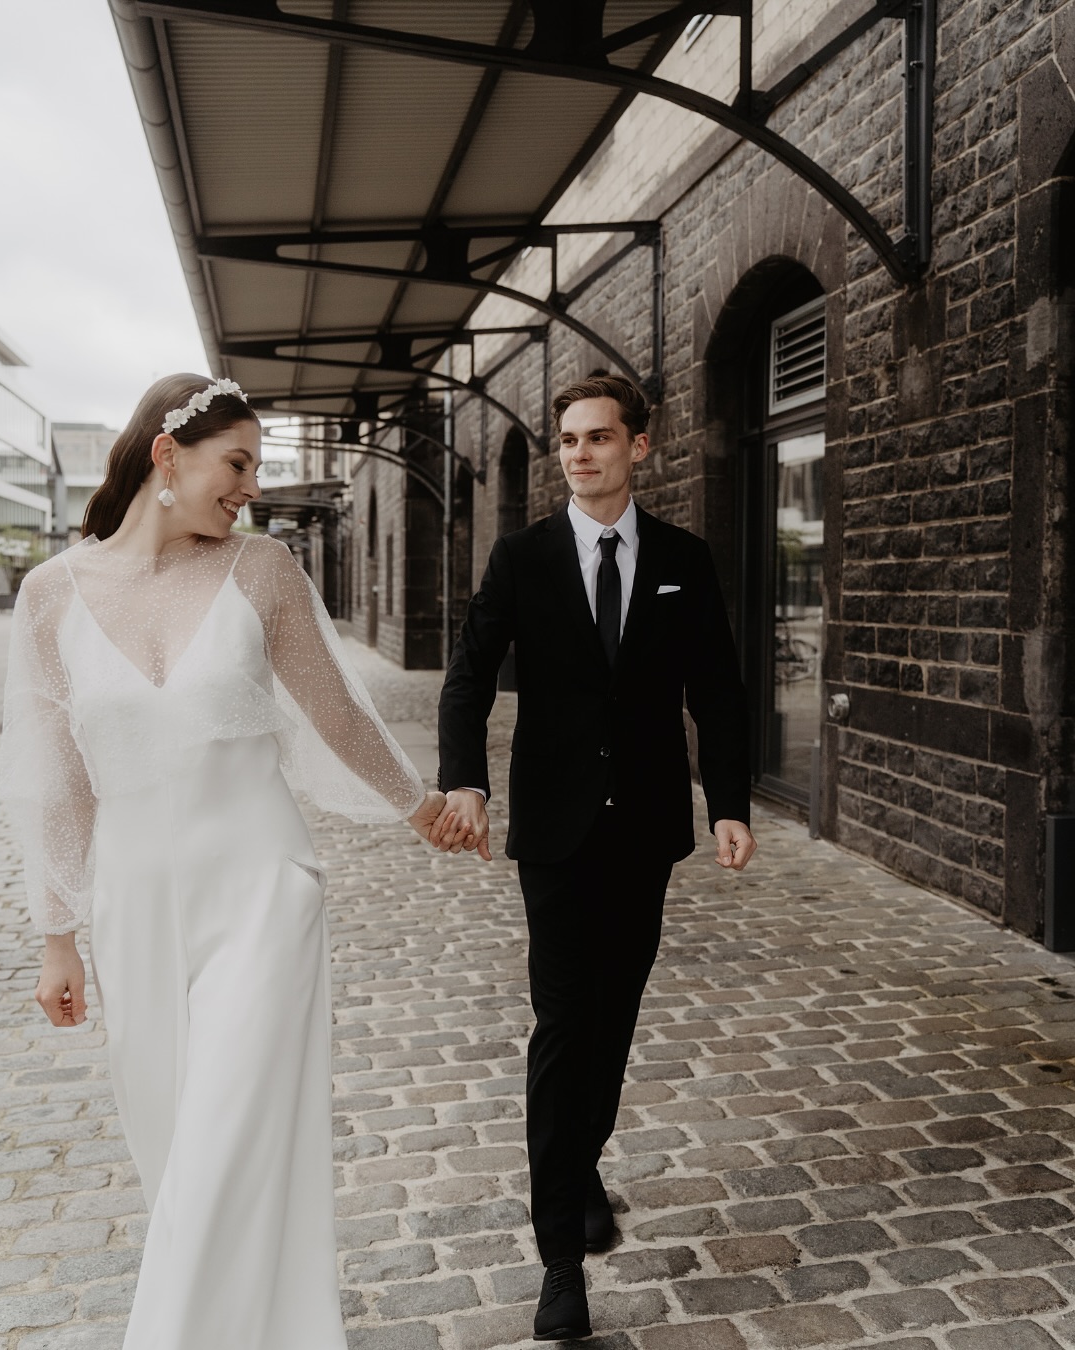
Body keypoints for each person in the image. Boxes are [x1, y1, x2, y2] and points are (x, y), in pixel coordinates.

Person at [0, 374, 450, 1350]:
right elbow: (52, 784)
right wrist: (56, 939)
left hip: (261, 888)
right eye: (237, 463)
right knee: (176, 1151)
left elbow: (336, 714)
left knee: (228, 1137)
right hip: (134, 904)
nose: (250, 484)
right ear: (168, 456)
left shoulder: (263, 572)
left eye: (256, 465)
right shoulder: (47, 600)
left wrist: (421, 806)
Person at [433, 374, 756, 1342]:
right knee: (565, 1024)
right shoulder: (522, 557)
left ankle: (578, 1166)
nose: (579, 454)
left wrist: (730, 803)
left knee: (614, 1021)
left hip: (647, 828)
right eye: (567, 441)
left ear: (639, 447)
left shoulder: (684, 559)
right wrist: (466, 782)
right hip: (556, 833)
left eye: (599, 438)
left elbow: (721, 691)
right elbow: (467, 678)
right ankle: (559, 1263)